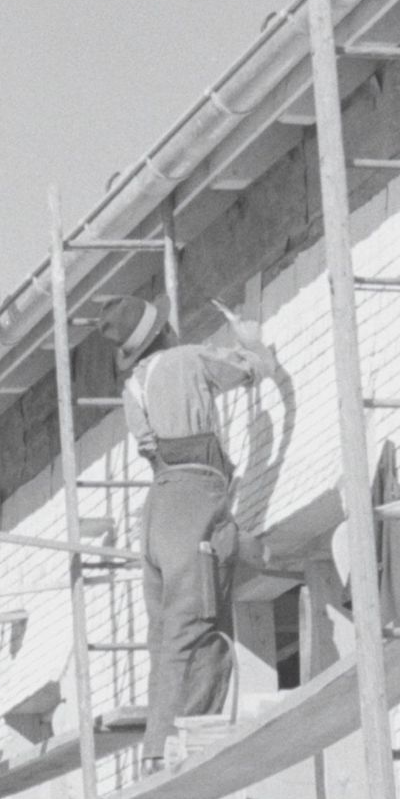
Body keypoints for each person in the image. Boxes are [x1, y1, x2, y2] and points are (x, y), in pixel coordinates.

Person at [119, 300, 291, 774]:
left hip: (159, 507)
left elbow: (154, 447)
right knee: (199, 630)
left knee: (166, 637)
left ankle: (157, 749)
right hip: (192, 496)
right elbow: (251, 370)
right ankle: (181, 746)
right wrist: (253, 344)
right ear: (165, 331)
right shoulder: (187, 358)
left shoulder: (133, 386)